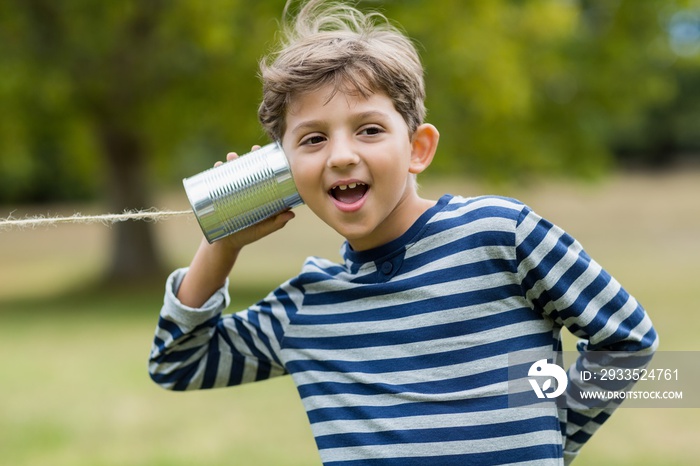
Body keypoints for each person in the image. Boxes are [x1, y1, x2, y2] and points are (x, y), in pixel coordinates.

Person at [149, 1, 658, 464]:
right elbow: (177, 363)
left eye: (369, 129)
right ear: (282, 170)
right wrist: (222, 241)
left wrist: (550, 437)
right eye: (313, 138)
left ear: (417, 148)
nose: (342, 154)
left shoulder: (502, 235)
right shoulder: (308, 308)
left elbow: (627, 338)